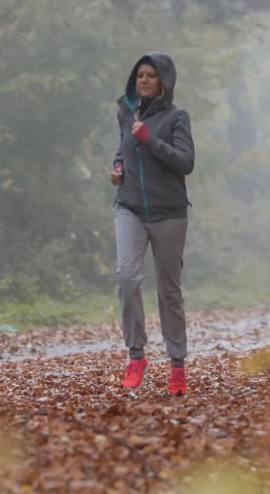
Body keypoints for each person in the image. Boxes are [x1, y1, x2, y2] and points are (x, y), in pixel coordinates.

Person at [110, 52, 194, 396]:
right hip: (129, 207)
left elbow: (185, 162)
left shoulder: (177, 117)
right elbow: (123, 148)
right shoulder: (126, 111)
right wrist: (117, 168)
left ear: (164, 81)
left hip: (169, 213)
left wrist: (150, 140)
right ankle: (136, 355)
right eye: (140, 75)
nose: (144, 80)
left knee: (168, 290)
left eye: (151, 75)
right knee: (127, 278)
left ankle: (177, 365)